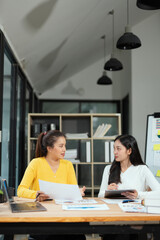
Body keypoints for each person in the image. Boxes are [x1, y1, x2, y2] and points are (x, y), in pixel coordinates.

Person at [17, 130, 86, 240]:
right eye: (61, 146)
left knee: (79, 235)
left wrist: (77, 192)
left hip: (64, 215)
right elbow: (21, 190)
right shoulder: (36, 163)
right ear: (49, 148)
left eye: (65, 146)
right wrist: (36, 194)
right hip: (42, 215)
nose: (64, 149)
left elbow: (72, 189)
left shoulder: (67, 165)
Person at [98, 134, 160, 240]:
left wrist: (138, 194)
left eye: (118, 149)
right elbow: (99, 195)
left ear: (129, 151)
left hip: (135, 217)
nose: (114, 152)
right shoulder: (108, 169)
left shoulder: (142, 169)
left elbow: (158, 192)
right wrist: (107, 191)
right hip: (114, 217)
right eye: (114, 148)